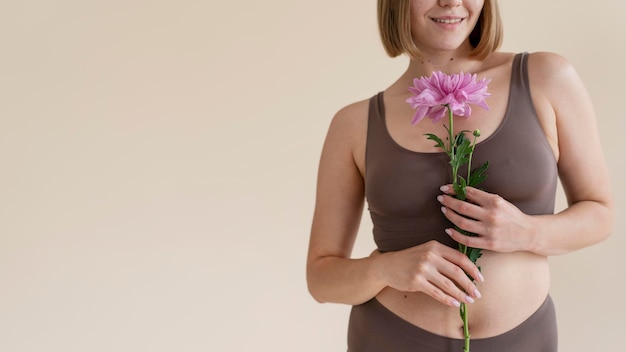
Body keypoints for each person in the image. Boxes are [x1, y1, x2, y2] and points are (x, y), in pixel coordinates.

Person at [306, 0, 614, 351]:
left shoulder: (546, 77)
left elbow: (600, 213)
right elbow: (321, 278)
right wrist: (383, 270)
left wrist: (526, 232)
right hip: (389, 339)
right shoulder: (354, 124)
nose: (451, 1)